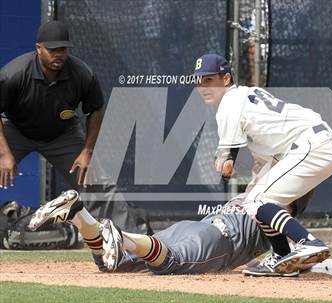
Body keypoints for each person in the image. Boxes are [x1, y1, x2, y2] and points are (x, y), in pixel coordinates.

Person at [0, 21, 137, 265]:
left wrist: (87, 151)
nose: (58, 54)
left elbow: (95, 110)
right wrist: (4, 154)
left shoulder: (82, 73)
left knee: (96, 181)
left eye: (63, 49)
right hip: (15, 131)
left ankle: (135, 245)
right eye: (52, 49)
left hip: (63, 135)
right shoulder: (14, 74)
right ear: (38, 48)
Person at [192, 53, 332, 276]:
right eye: (198, 81)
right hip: (309, 144)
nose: (202, 87)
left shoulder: (228, 104)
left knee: (260, 200)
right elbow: (268, 144)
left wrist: (222, 161)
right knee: (253, 199)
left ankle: (308, 241)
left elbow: (226, 165)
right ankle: (281, 256)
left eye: (209, 80)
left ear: (225, 79)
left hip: (311, 145)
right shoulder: (246, 94)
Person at [28, 189, 287, 276]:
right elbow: (287, 260)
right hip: (217, 241)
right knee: (170, 261)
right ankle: (122, 236)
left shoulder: (251, 195)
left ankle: (78, 214)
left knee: (113, 266)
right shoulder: (278, 216)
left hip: (192, 228)